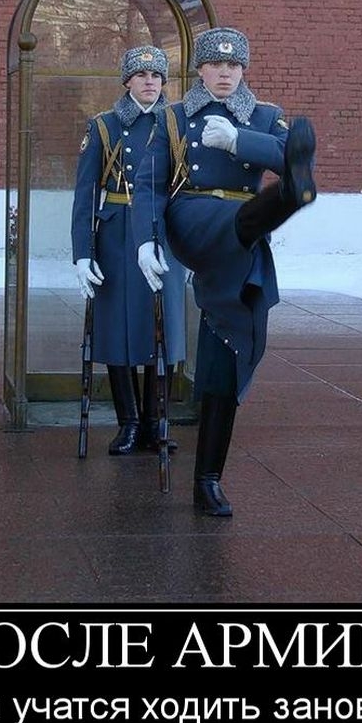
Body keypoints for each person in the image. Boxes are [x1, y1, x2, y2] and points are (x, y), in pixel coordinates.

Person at [131, 27, 316, 516]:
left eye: (234, 66)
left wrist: (240, 141)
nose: (226, 73)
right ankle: (291, 198)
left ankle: (208, 480)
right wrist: (146, 240)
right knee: (246, 216)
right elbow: (149, 184)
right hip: (193, 218)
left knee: (231, 350)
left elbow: (292, 155)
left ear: (243, 69)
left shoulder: (264, 117)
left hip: (240, 238)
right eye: (216, 65)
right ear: (201, 69)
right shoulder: (173, 117)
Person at [71, 45, 186, 455]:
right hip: (117, 234)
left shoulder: (177, 123)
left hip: (162, 231)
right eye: (141, 75)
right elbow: (86, 194)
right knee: (118, 329)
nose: (150, 82)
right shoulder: (105, 126)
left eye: (156, 76)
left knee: (163, 328)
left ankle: (156, 423)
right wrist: (82, 252)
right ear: (127, 81)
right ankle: (130, 423)